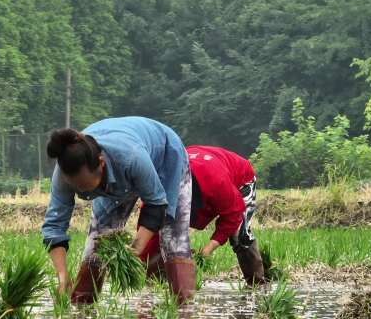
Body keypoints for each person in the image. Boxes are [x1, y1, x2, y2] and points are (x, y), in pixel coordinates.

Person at [42, 117, 196, 304]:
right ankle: (83, 310)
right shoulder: (63, 174)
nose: (83, 192)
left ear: (101, 163)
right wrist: (62, 276)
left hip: (165, 158)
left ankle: (184, 308)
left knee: (173, 240)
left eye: (87, 187)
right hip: (116, 180)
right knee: (98, 244)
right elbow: (54, 227)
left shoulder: (131, 158)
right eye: (77, 188)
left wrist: (134, 250)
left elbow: (156, 206)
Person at [138, 145, 265, 286]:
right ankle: (155, 283)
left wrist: (207, 249)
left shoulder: (217, 182)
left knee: (239, 234)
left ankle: (257, 283)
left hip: (240, 178)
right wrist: (141, 260)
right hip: (199, 170)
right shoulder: (162, 184)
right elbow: (151, 224)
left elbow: (233, 215)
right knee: (165, 233)